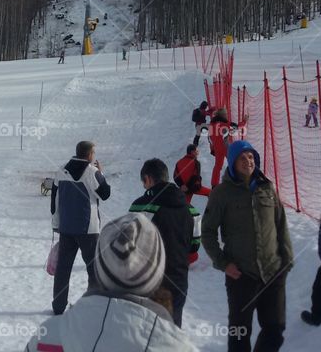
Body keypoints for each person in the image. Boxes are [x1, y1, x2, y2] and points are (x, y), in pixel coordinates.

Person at [25, 214, 197, 351]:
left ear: (99, 267)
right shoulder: (177, 346)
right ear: (157, 273)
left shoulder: (46, 338)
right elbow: (104, 191)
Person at [202, 140, 293, 352]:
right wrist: (223, 264)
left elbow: (281, 225)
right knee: (239, 333)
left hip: (272, 272)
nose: (248, 161)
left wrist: (286, 261)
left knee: (275, 329)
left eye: (251, 156)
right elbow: (207, 232)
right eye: (242, 158)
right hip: (241, 275)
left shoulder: (267, 188)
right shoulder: (221, 194)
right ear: (232, 162)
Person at [129, 159, 193, 327]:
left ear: (148, 179)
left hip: (150, 279)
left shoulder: (141, 206)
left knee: (148, 330)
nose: (144, 187)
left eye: (144, 182)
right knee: (173, 328)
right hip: (179, 278)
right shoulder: (190, 208)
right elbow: (194, 246)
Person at [50, 141, 111, 315]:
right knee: (93, 268)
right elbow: (105, 194)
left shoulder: (61, 171)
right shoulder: (92, 173)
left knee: (63, 269)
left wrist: (56, 224)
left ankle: (58, 306)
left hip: (67, 228)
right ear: (89, 154)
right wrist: (101, 173)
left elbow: (54, 201)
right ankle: (97, 305)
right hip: (88, 229)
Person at [208, 108, 235, 188]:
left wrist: (212, 149)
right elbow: (235, 126)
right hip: (225, 147)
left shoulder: (211, 125)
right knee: (233, 163)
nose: (227, 115)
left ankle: (214, 185)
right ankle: (235, 180)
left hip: (217, 149)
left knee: (218, 166)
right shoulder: (223, 123)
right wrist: (244, 121)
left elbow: (210, 139)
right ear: (222, 115)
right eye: (226, 114)